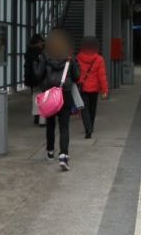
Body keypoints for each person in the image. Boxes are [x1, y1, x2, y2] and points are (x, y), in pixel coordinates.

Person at [34, 28, 80, 171]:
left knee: (50, 124)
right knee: (64, 126)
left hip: (49, 94)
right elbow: (77, 77)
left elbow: (38, 75)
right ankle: (64, 155)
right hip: (64, 93)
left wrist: (36, 64)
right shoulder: (70, 57)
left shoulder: (44, 56)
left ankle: (50, 151)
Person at [76, 36, 109, 139]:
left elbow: (75, 73)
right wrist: (104, 90)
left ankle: (88, 128)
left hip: (83, 87)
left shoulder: (78, 58)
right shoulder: (99, 59)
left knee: (84, 109)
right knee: (92, 109)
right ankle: (91, 126)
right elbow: (102, 76)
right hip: (94, 89)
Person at [24, 33, 46, 126]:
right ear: (38, 43)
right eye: (41, 42)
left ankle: (36, 116)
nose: (42, 44)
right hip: (40, 78)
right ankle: (42, 120)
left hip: (31, 78)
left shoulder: (28, 52)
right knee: (43, 98)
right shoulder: (40, 53)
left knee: (35, 97)